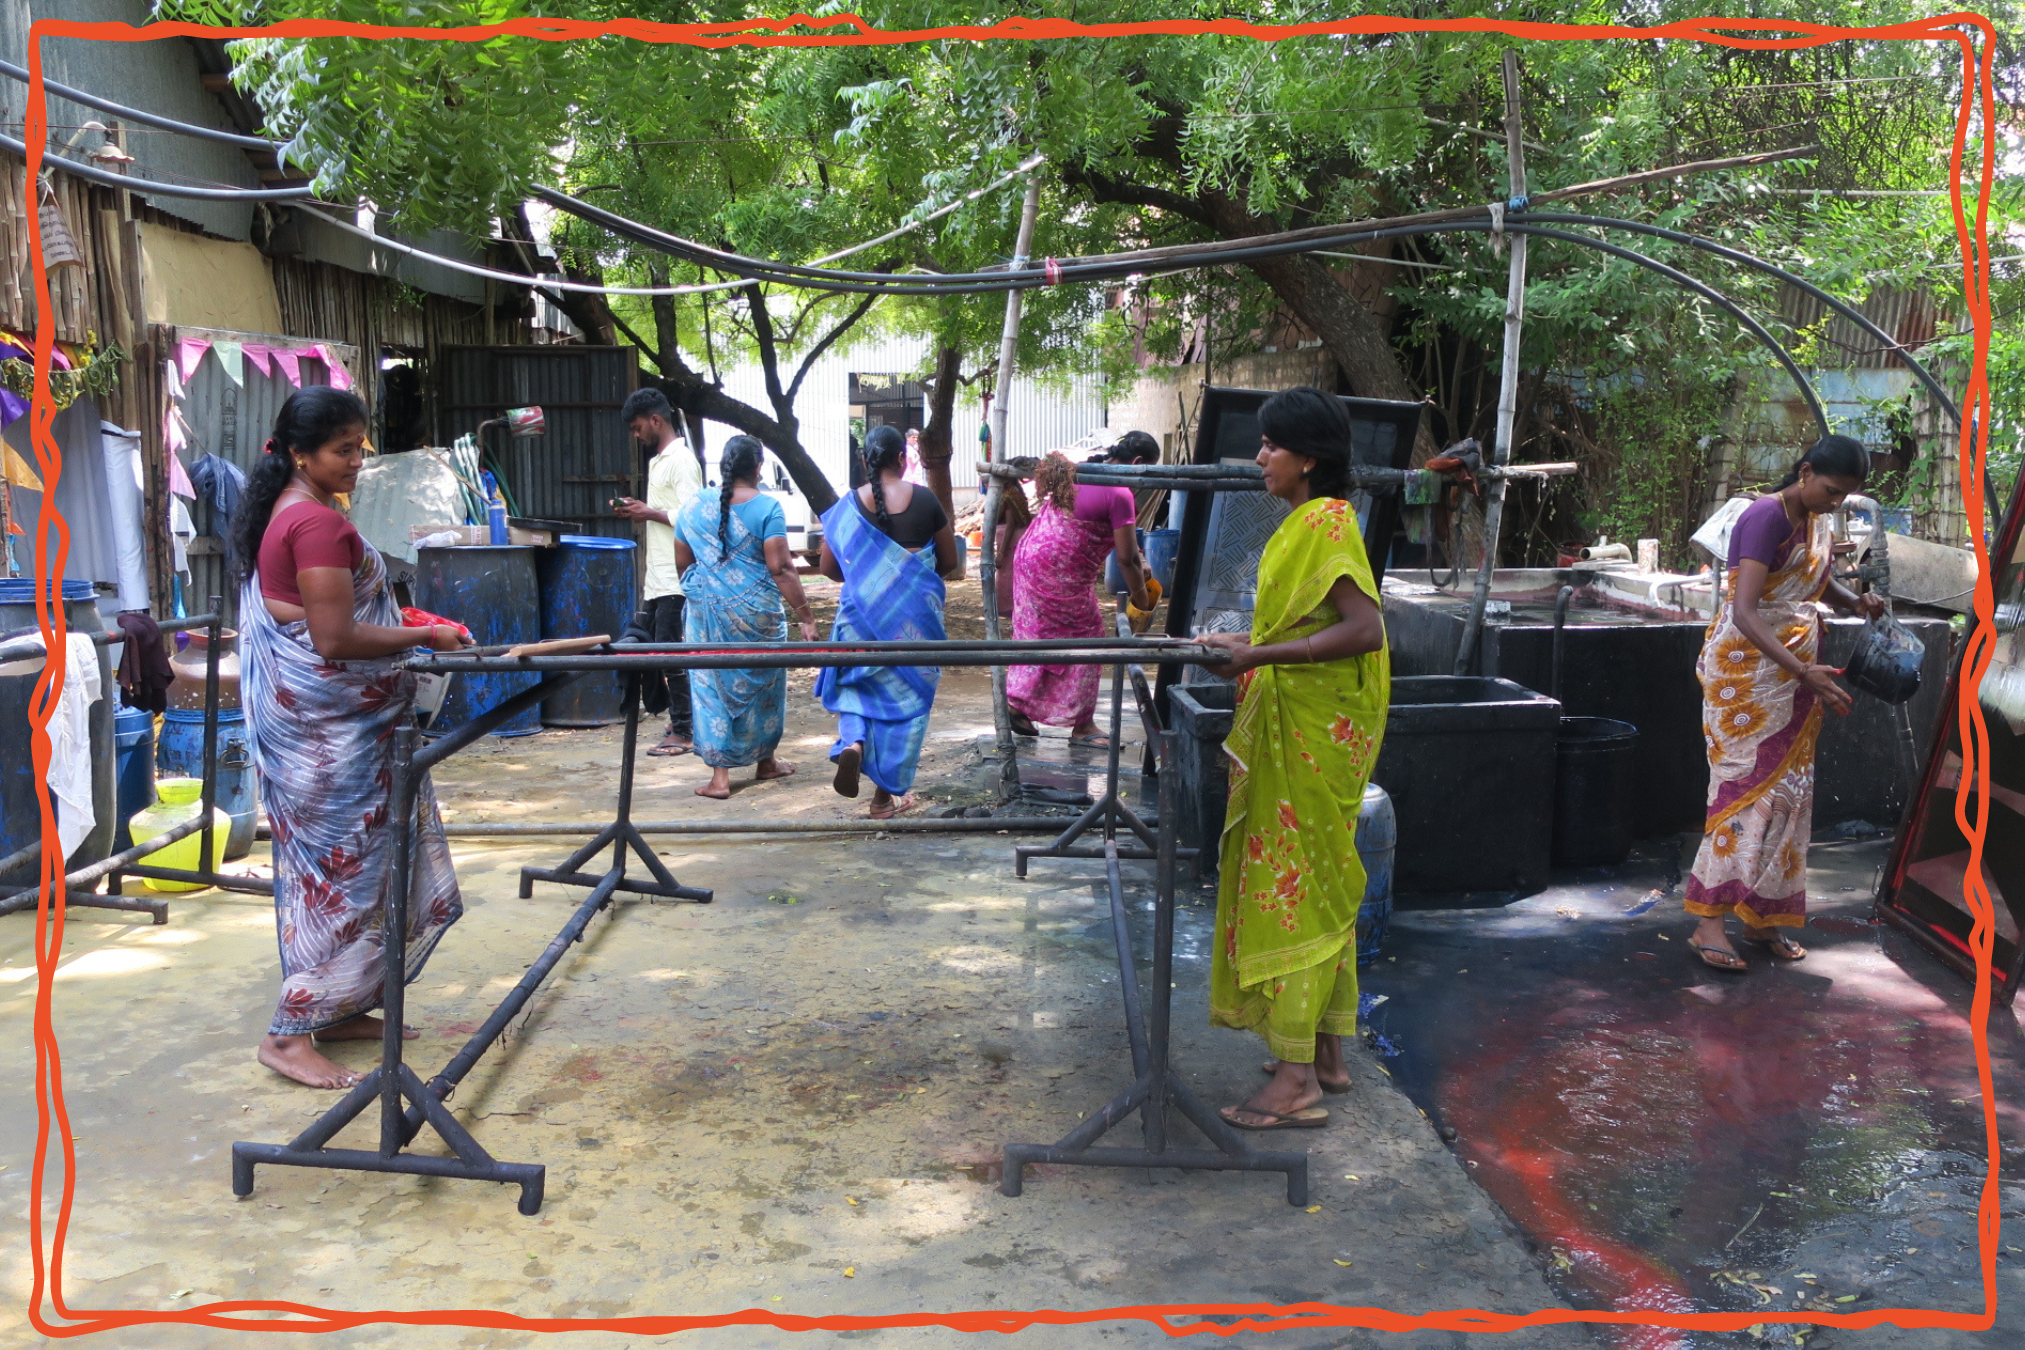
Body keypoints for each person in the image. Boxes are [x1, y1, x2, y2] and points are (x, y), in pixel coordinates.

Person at [231, 386, 473, 1090]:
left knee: (337, 878)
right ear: (300, 453)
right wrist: (428, 634)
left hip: (319, 738)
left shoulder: (291, 511)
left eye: (360, 446)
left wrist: (413, 624)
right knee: (341, 880)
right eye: (343, 449)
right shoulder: (314, 525)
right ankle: (289, 1032)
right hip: (330, 741)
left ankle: (334, 1010)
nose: (357, 461)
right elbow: (334, 640)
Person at [1198, 386, 1389, 1132]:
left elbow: (1363, 629)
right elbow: (1298, 621)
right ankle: (1330, 1055)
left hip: (1316, 728)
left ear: (1308, 457)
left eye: (1271, 445)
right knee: (1319, 875)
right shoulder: (1313, 520)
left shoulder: (1325, 524)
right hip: (1311, 719)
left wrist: (1260, 653)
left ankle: (1296, 1080)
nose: (1259, 458)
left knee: (1295, 884)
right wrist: (1238, 646)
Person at [1686, 434, 1883, 972]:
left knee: (1790, 795)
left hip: (1797, 675)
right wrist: (1804, 672)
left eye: (1845, 496)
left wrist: (1857, 601)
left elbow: (1807, 589)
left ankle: (1764, 914)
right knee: (1743, 794)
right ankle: (1709, 921)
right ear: (1805, 471)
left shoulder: (1817, 518)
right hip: (1747, 678)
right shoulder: (1764, 518)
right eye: (1832, 490)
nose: (1836, 502)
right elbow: (1746, 611)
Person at [815, 424, 963, 819]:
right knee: (905, 703)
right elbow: (950, 563)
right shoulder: (927, 500)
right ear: (903, 458)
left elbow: (828, 568)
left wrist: (869, 578)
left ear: (865, 461)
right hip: (912, 629)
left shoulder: (847, 507)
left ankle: (854, 743)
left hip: (857, 624)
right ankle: (882, 798)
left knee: (855, 693)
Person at [673, 435, 822, 799]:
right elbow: (782, 568)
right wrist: (806, 616)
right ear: (758, 468)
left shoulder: (693, 507)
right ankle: (765, 761)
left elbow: (682, 561)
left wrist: (708, 585)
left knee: (710, 688)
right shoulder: (767, 507)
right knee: (767, 685)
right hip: (760, 616)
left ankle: (720, 778)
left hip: (708, 615)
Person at [1005, 453, 1154, 746]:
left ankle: (1017, 703)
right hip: (1057, 570)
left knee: (1038, 634)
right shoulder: (1119, 492)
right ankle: (1083, 726)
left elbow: (1123, 547)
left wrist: (1139, 557)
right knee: (1090, 637)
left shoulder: (1081, 473)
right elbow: (1127, 560)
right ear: (1137, 462)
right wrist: (1143, 599)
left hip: (1030, 558)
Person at [613, 388, 703, 757]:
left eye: (638, 428)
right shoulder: (660, 460)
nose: (637, 436)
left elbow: (693, 517)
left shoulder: (681, 460)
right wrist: (642, 509)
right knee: (651, 649)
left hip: (675, 577)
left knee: (671, 656)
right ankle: (682, 717)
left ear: (656, 420)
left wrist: (647, 512)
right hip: (659, 576)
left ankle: (684, 729)